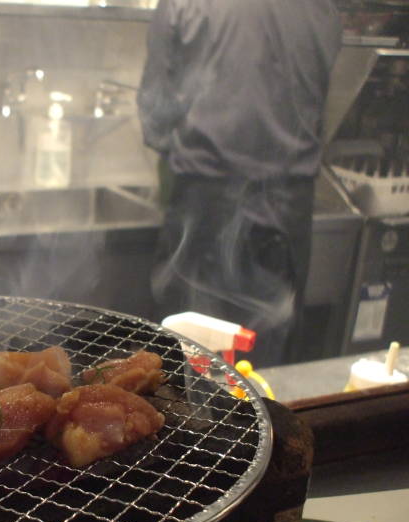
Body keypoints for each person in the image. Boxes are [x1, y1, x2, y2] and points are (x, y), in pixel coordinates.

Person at [137, 0, 342, 367]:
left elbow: (156, 115)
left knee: (185, 365)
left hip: (206, 204)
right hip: (289, 205)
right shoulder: (322, 7)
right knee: (266, 366)